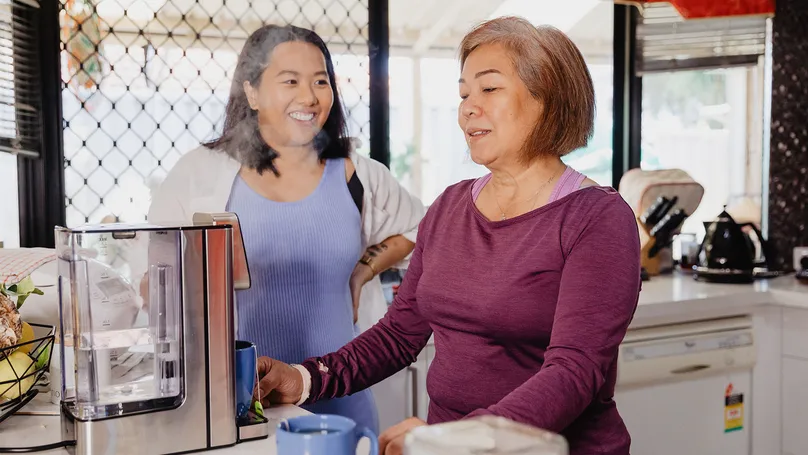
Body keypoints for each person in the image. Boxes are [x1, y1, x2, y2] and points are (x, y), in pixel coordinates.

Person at [253, 16, 642, 455]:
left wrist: (461, 438)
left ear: (547, 99)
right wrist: (304, 379)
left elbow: (575, 371)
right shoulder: (450, 207)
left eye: (489, 89)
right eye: (463, 94)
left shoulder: (597, 219)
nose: (467, 108)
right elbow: (400, 335)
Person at [147, 24, 425, 434]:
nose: (309, 96)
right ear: (253, 93)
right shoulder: (198, 172)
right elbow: (153, 279)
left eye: (320, 81)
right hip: (240, 406)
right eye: (290, 81)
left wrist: (363, 269)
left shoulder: (356, 172)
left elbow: (419, 228)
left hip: (341, 404)